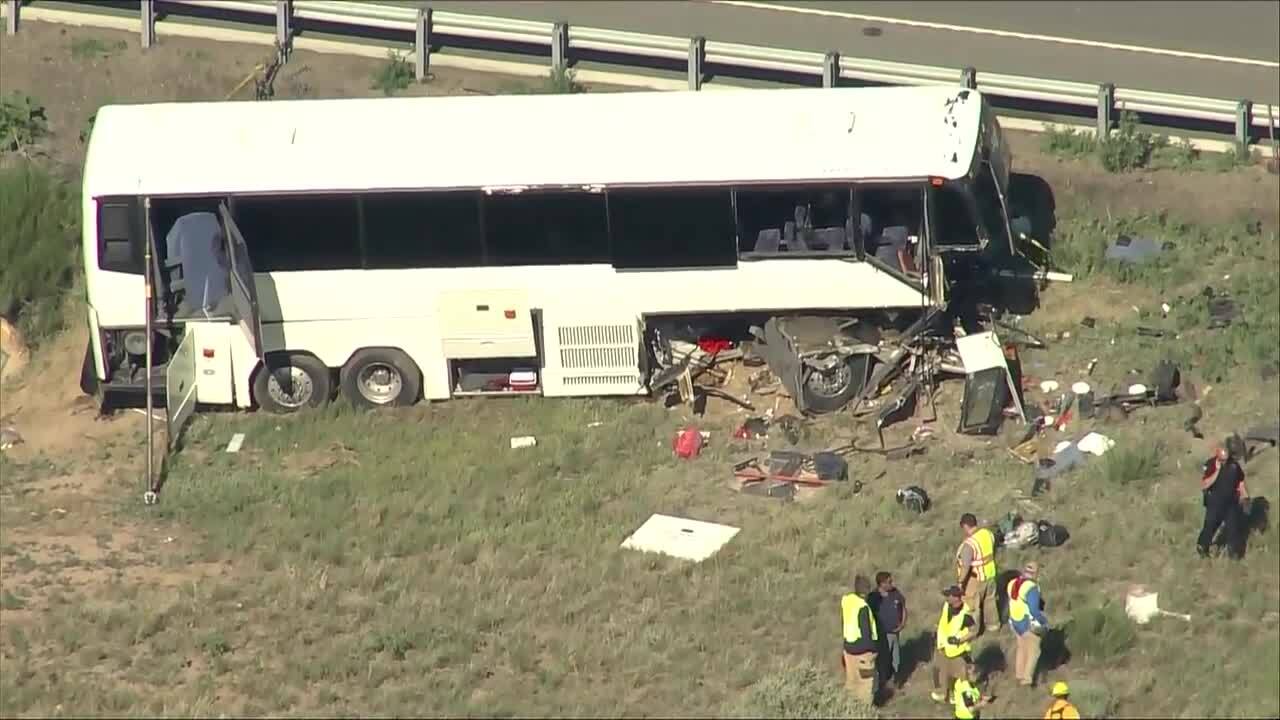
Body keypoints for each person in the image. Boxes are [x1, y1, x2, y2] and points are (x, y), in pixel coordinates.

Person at [1198, 434, 1249, 559]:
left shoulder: (1234, 466)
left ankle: (1235, 556)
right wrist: (1217, 471)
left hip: (1230, 503)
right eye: (1223, 460)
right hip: (1214, 503)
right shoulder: (1210, 464)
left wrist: (1245, 497)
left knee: (1233, 530)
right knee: (1210, 526)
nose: (1225, 462)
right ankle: (1202, 548)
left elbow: (1240, 482)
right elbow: (1204, 485)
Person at [930, 585, 976, 704]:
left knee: (960, 677)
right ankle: (943, 694)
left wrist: (959, 640)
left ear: (956, 597)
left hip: (958, 652)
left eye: (948, 595)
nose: (946, 598)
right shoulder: (947, 606)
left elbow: (972, 632)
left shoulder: (966, 614)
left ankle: (958, 698)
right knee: (942, 672)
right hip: (943, 648)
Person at [1007, 561, 1049, 687]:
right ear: (1036, 574)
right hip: (1027, 623)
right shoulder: (1031, 588)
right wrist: (1044, 621)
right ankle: (1027, 679)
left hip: (1014, 622)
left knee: (1021, 648)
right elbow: (1034, 610)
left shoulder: (1012, 583)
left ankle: (1019, 675)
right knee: (1034, 651)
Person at [956, 513, 999, 634]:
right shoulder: (988, 534)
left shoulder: (969, 545)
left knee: (972, 606)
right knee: (990, 601)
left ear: (965, 526)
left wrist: (960, 582)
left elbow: (965, 567)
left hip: (976, 579)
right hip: (991, 574)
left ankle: (973, 631)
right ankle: (993, 626)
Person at [841, 574, 880, 705]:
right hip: (863, 650)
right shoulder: (863, 608)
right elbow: (866, 633)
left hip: (848, 649)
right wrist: (874, 650)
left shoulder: (847, 601)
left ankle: (848, 710)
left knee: (851, 683)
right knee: (865, 686)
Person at [869, 571, 908, 690]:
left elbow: (903, 608)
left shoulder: (896, 593)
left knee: (895, 658)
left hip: (894, 632)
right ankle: (882, 683)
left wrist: (902, 624)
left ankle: (897, 680)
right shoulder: (873, 597)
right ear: (881, 584)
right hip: (881, 634)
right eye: (889, 582)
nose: (892, 584)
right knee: (882, 659)